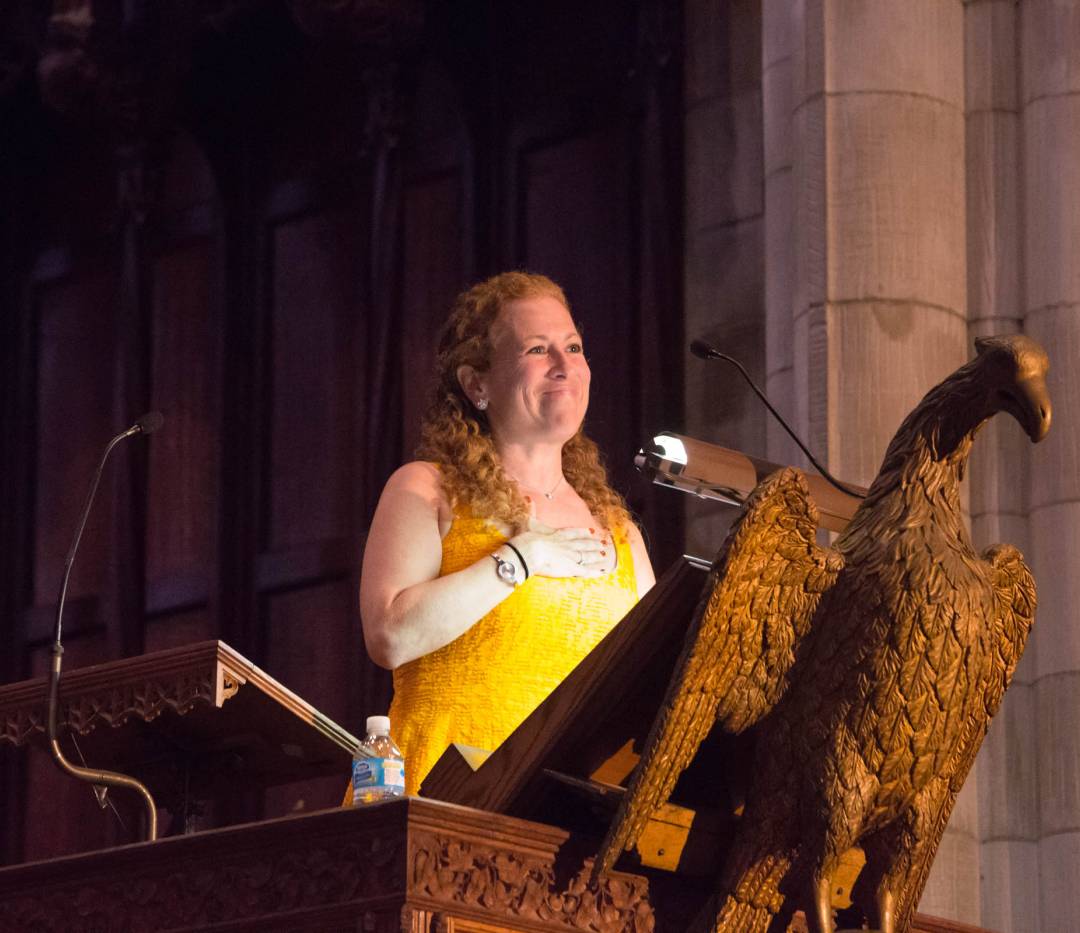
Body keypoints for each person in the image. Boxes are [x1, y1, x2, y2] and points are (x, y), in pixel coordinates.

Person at [358, 271, 655, 797]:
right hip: (442, 802)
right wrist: (521, 558)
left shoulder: (621, 534)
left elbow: (655, 688)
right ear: (477, 384)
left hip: (572, 817)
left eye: (573, 347)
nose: (564, 365)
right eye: (538, 349)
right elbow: (390, 637)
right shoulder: (427, 489)